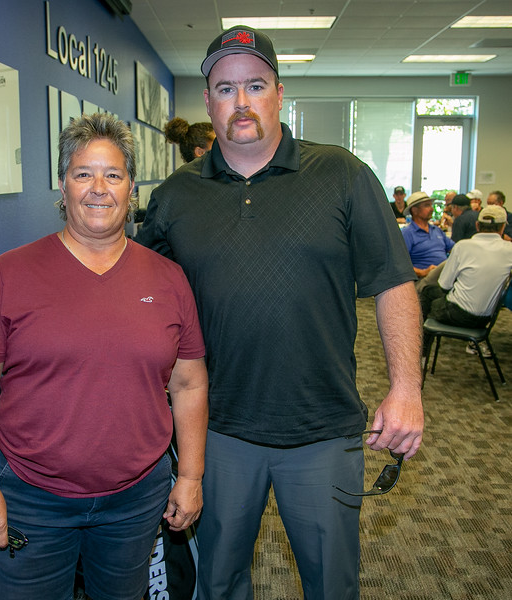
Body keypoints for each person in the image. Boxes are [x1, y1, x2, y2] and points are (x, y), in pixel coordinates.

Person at [136, 25, 423, 600]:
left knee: (330, 583)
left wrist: (406, 388)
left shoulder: (341, 174)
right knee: (218, 580)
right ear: (209, 102)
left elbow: (393, 281)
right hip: (216, 431)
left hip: (322, 429)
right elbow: (138, 293)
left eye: (255, 85)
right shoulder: (176, 195)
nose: (241, 103)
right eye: (225, 89)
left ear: (278, 93)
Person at [0, 113, 209, 600]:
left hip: (135, 499)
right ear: (63, 186)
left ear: (131, 188)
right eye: (83, 174)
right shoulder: (11, 274)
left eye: (113, 175)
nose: (98, 188)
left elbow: (189, 384)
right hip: (32, 497)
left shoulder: (168, 279)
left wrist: (191, 475)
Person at [420, 205, 512, 356]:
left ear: (477, 225)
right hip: (486, 319)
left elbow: (444, 285)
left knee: (427, 293)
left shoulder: (463, 246)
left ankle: (420, 353)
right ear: (502, 228)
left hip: (458, 314)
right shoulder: (509, 250)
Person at [402, 191, 455, 278]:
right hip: (425, 280)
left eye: (431, 205)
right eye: (427, 206)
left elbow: (454, 249)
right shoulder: (407, 233)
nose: (432, 209)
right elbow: (401, 265)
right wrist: (423, 272)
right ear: (415, 210)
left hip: (444, 275)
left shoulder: (437, 230)